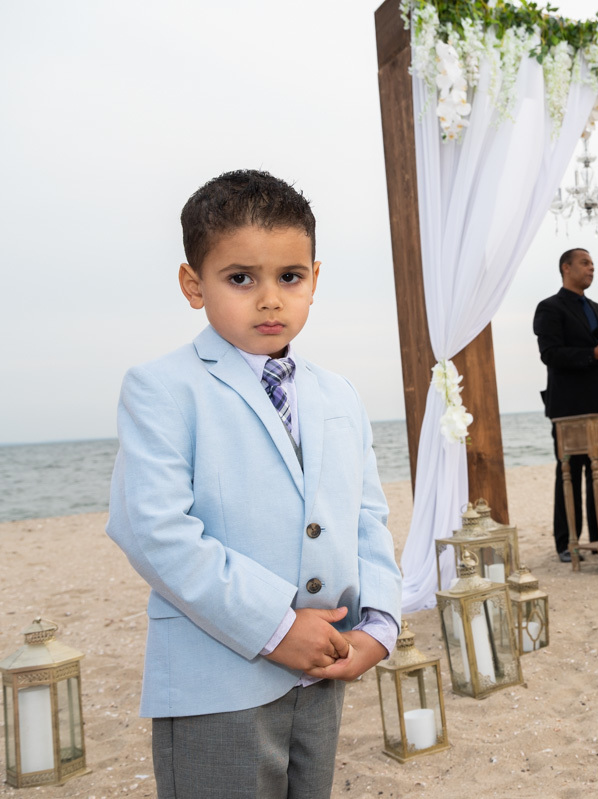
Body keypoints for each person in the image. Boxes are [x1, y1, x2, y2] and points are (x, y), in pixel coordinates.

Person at [106, 169, 403, 798]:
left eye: (289, 277)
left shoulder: (339, 394)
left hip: (326, 668)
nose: (270, 299)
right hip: (216, 681)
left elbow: (365, 516)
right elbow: (152, 530)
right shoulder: (163, 388)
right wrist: (274, 625)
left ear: (314, 280)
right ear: (194, 284)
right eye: (240, 278)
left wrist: (378, 625)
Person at [533, 248, 598, 563]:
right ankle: (567, 543)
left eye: (593, 264)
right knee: (569, 472)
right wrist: (594, 354)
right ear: (566, 268)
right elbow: (550, 354)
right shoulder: (549, 308)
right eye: (585, 263)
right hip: (568, 405)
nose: (591, 268)